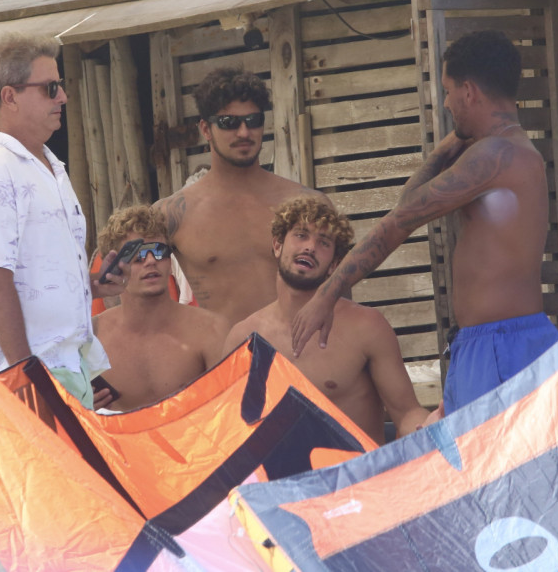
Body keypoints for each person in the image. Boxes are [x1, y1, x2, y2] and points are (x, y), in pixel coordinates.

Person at [291, 30, 558, 416]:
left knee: (489, 471)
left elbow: (400, 220)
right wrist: (450, 144)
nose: (448, 102)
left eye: (450, 90)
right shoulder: (503, 149)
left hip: (501, 347)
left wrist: (327, 293)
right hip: (494, 343)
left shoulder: (494, 155)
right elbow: (409, 204)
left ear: (469, 91)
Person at [0, 34, 123, 409]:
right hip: (17, 377)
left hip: (62, 367)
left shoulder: (49, 166)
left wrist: (90, 285)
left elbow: (33, 276)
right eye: (50, 88)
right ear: (10, 97)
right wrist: (25, 378)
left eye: (60, 86)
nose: (62, 96)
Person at [225, 196, 432, 443]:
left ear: (334, 264)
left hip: (357, 477)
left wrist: (429, 428)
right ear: (278, 245)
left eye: (323, 242)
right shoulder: (244, 338)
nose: (310, 247)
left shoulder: (367, 327)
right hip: (282, 481)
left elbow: (407, 412)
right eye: (301, 235)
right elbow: (228, 429)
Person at [154, 68, 325, 326]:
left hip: (301, 357)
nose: (244, 132)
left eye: (253, 120)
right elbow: (132, 297)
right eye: (229, 123)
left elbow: (339, 295)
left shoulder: (308, 204)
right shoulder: (172, 214)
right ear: (206, 129)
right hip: (227, 360)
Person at [91, 205, 229, 411]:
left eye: (159, 252)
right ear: (113, 264)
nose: (150, 262)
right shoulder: (92, 336)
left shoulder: (212, 330)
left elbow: (231, 411)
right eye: (137, 255)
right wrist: (81, 408)